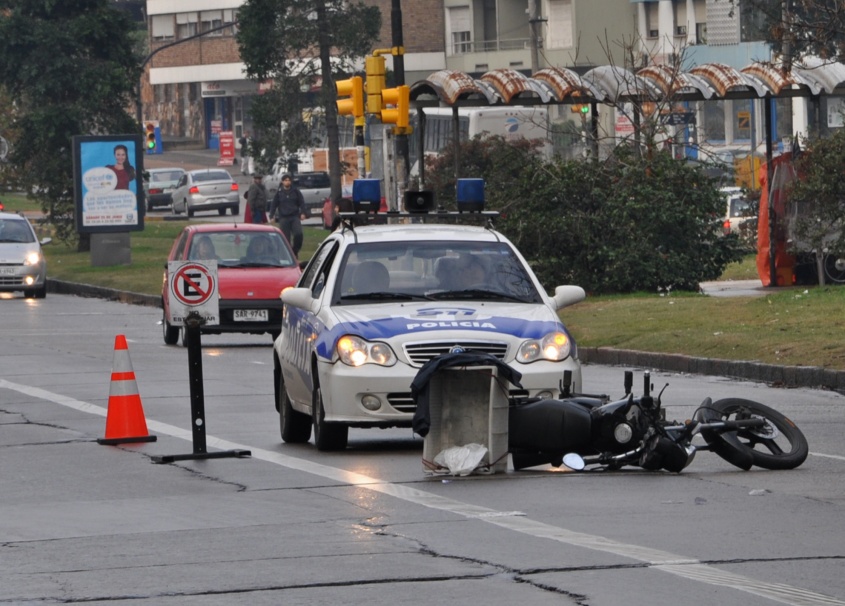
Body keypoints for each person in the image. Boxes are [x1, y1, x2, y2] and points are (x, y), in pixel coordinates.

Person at [268, 173, 307, 256]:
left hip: (294, 217)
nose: (287, 182)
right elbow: (274, 205)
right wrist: (271, 216)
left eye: (289, 180)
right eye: (285, 180)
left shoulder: (295, 191)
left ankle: (295, 250)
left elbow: (302, 202)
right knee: (285, 239)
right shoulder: (279, 193)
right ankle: (288, 255)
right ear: (282, 182)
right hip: (283, 218)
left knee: (298, 234)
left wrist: (303, 213)